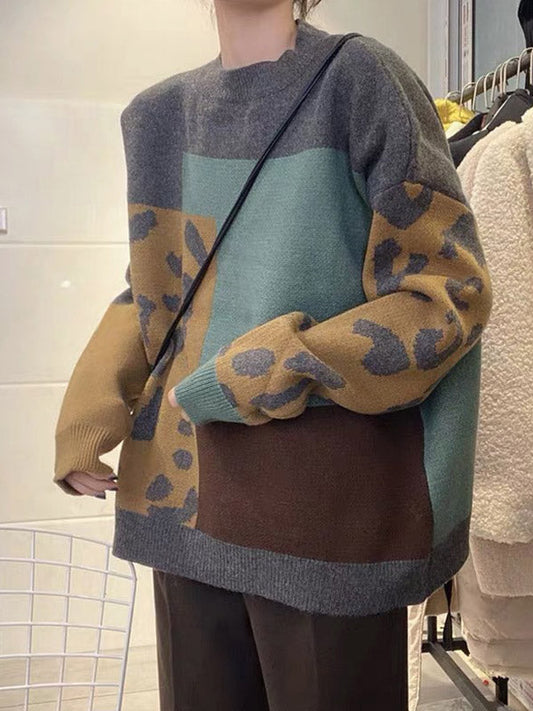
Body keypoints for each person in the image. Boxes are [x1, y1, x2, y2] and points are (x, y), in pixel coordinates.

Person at [53, 0, 493, 708]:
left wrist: (267, 367)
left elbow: (446, 296)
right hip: (182, 493)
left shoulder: (359, 81)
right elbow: (154, 286)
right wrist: (90, 404)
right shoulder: (157, 116)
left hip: (324, 515)